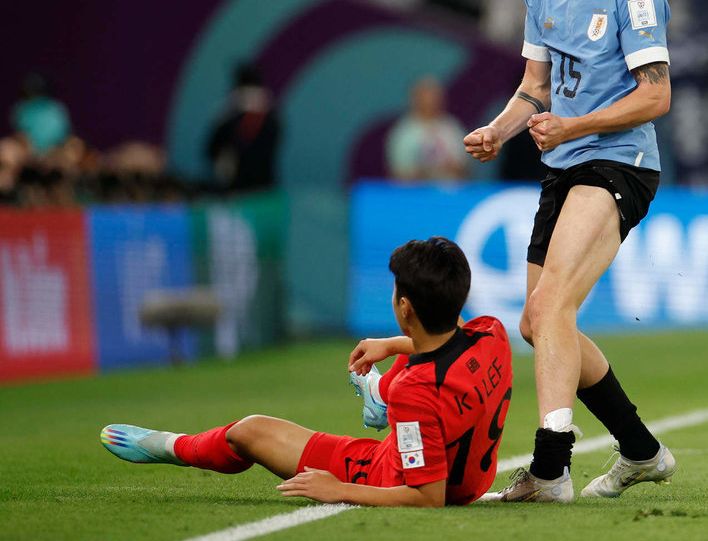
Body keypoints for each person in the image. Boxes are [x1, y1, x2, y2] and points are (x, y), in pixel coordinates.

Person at [463, 0, 675, 503]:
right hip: (564, 162)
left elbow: (656, 94)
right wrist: (501, 131)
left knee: (552, 305)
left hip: (619, 162)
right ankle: (641, 451)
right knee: (536, 322)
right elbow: (537, 84)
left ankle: (551, 467)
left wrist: (575, 125)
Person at [100, 237, 513, 508]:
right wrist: (391, 343)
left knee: (249, 431)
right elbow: (442, 344)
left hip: (387, 473)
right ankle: (379, 396)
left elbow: (428, 497)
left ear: (405, 307)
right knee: (423, 362)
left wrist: (338, 489)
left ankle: (172, 446)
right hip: (471, 474)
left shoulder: (414, 393)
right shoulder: (491, 332)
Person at [205, 63, 281, 192]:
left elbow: (211, 149)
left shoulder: (229, 114)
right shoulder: (273, 115)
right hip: (261, 185)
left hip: (242, 188)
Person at [385, 77, 469, 181]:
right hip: (413, 194)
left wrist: (448, 167)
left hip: (448, 193)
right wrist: (424, 171)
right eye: (425, 96)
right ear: (415, 99)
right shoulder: (403, 132)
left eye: (434, 97)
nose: (430, 101)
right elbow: (398, 172)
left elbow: (465, 167)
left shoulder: (452, 128)